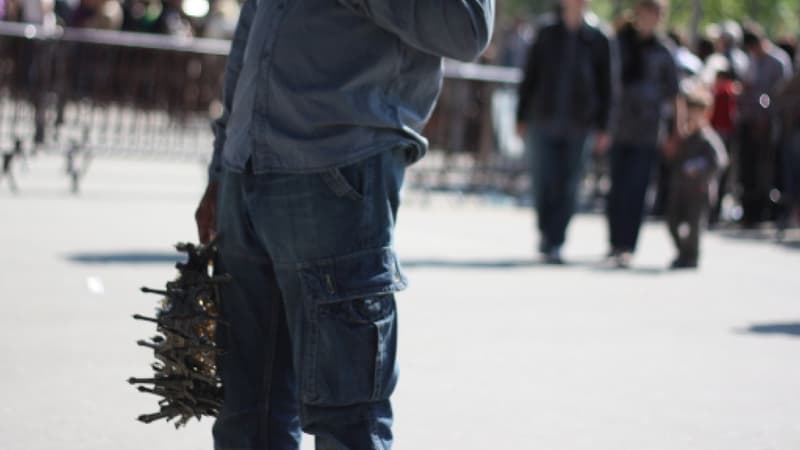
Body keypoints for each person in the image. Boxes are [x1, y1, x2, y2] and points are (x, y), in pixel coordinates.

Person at [193, 1, 494, 449]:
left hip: (337, 170)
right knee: (245, 415)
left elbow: (466, 27)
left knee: (347, 421)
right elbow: (252, 29)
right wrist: (222, 166)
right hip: (249, 168)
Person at [516, 0, 616, 264]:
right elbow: (530, 75)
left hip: (579, 123)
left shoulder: (598, 37)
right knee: (543, 179)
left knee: (569, 184)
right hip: (543, 118)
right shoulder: (547, 32)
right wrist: (521, 115)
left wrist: (605, 126)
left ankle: (556, 239)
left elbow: (608, 85)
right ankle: (545, 232)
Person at [606, 0, 679, 268]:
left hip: (648, 130)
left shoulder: (664, 51)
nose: (653, 18)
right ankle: (614, 241)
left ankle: (627, 245)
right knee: (616, 188)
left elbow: (674, 94)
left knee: (637, 189)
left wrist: (675, 132)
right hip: (619, 126)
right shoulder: (620, 42)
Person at [664, 82, 727, 269]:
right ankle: (683, 251)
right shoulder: (683, 137)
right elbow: (672, 160)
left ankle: (691, 256)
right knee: (672, 222)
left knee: (694, 226)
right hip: (680, 188)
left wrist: (700, 169)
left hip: (699, 189)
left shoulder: (708, 138)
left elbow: (720, 161)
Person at [737, 24, 792, 227]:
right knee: (747, 167)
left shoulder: (778, 61)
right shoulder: (751, 60)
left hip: (768, 122)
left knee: (766, 167)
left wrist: (765, 115)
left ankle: (766, 210)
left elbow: (781, 94)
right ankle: (748, 211)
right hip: (748, 118)